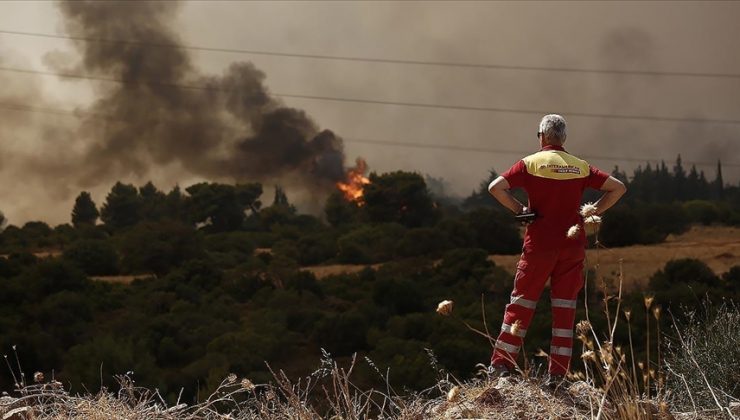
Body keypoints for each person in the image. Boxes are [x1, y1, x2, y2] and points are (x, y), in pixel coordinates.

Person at [487, 114, 626, 381]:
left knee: (521, 305)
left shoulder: (530, 163)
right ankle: (558, 375)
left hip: (538, 246)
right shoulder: (580, 167)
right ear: (564, 138)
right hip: (572, 249)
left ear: (541, 136)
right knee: (564, 310)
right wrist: (590, 212)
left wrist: (520, 210)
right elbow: (618, 188)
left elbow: (495, 187)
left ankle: (500, 366)